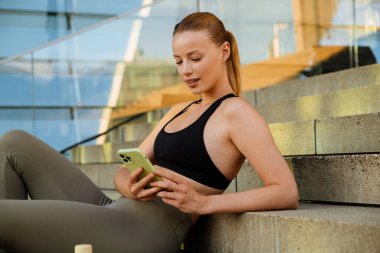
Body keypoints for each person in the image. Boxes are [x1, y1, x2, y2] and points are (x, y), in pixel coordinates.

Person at [0, 12, 298, 253]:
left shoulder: (237, 113)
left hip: (144, 231)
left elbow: (285, 191)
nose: (186, 70)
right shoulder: (178, 110)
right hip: (112, 211)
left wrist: (204, 203)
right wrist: (129, 185)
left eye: (195, 58)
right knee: (14, 143)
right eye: (179, 61)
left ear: (224, 51)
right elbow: (122, 172)